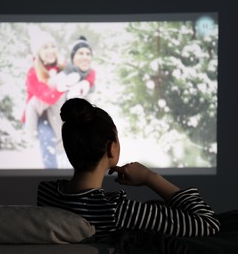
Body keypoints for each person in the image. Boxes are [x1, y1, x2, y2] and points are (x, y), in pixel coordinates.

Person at [37, 98, 221, 240]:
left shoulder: (46, 194)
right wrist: (150, 177)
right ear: (111, 148)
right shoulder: (117, 212)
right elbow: (207, 223)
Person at [21, 27, 65, 168]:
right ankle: (51, 178)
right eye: (45, 47)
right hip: (39, 116)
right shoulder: (33, 73)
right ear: (38, 52)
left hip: (58, 113)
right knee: (47, 138)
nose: (50, 50)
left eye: (53, 46)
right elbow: (48, 97)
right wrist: (61, 86)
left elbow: (82, 74)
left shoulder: (61, 68)